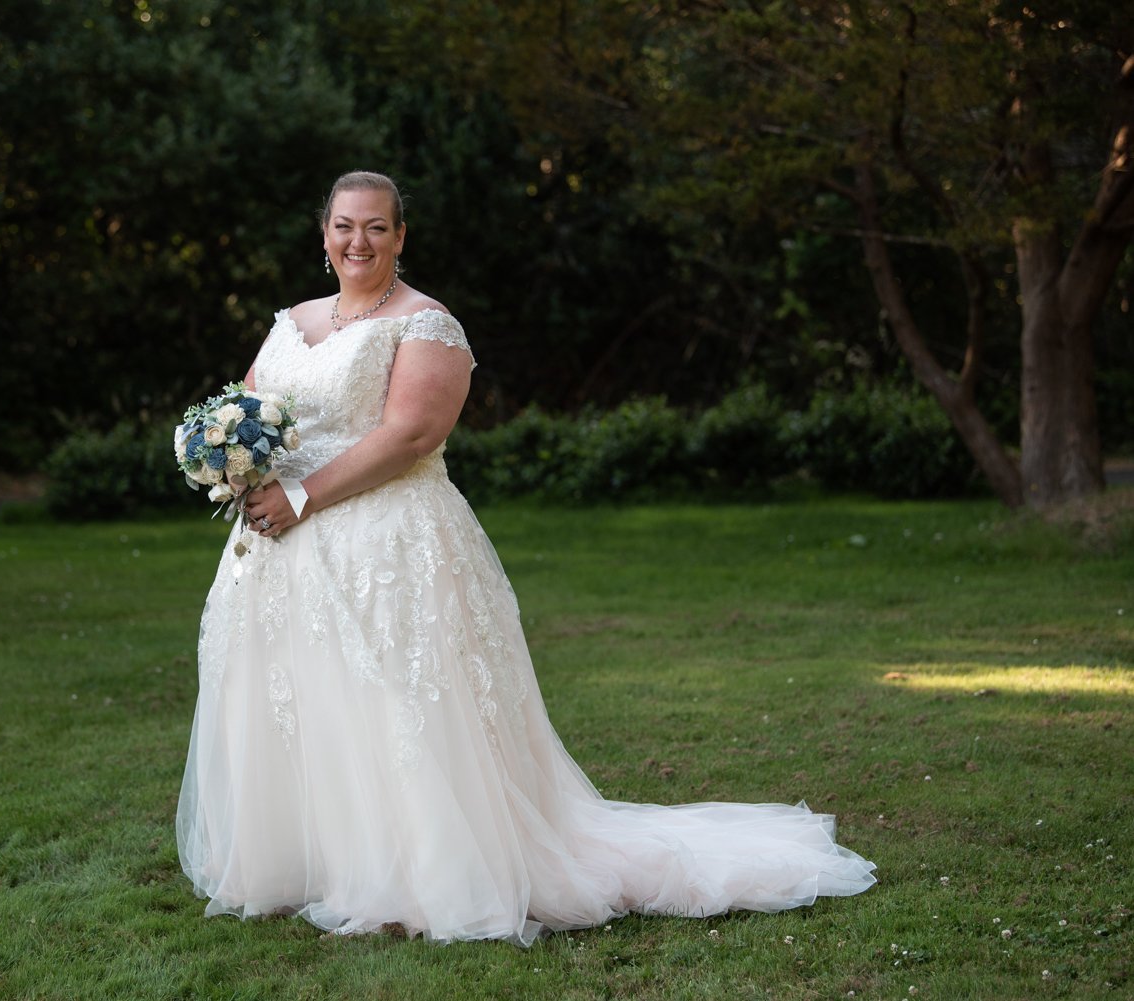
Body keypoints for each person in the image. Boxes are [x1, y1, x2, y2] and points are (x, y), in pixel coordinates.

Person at [175, 170, 876, 945]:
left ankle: (419, 870)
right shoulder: (291, 322)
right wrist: (240, 468)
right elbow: (248, 409)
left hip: (388, 543)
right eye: (345, 225)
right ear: (324, 233)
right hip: (282, 551)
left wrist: (303, 497)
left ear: (401, 237)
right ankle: (315, 861)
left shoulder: (427, 324)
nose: (359, 241)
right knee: (308, 696)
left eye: (377, 227)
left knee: (396, 705)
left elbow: (410, 435)